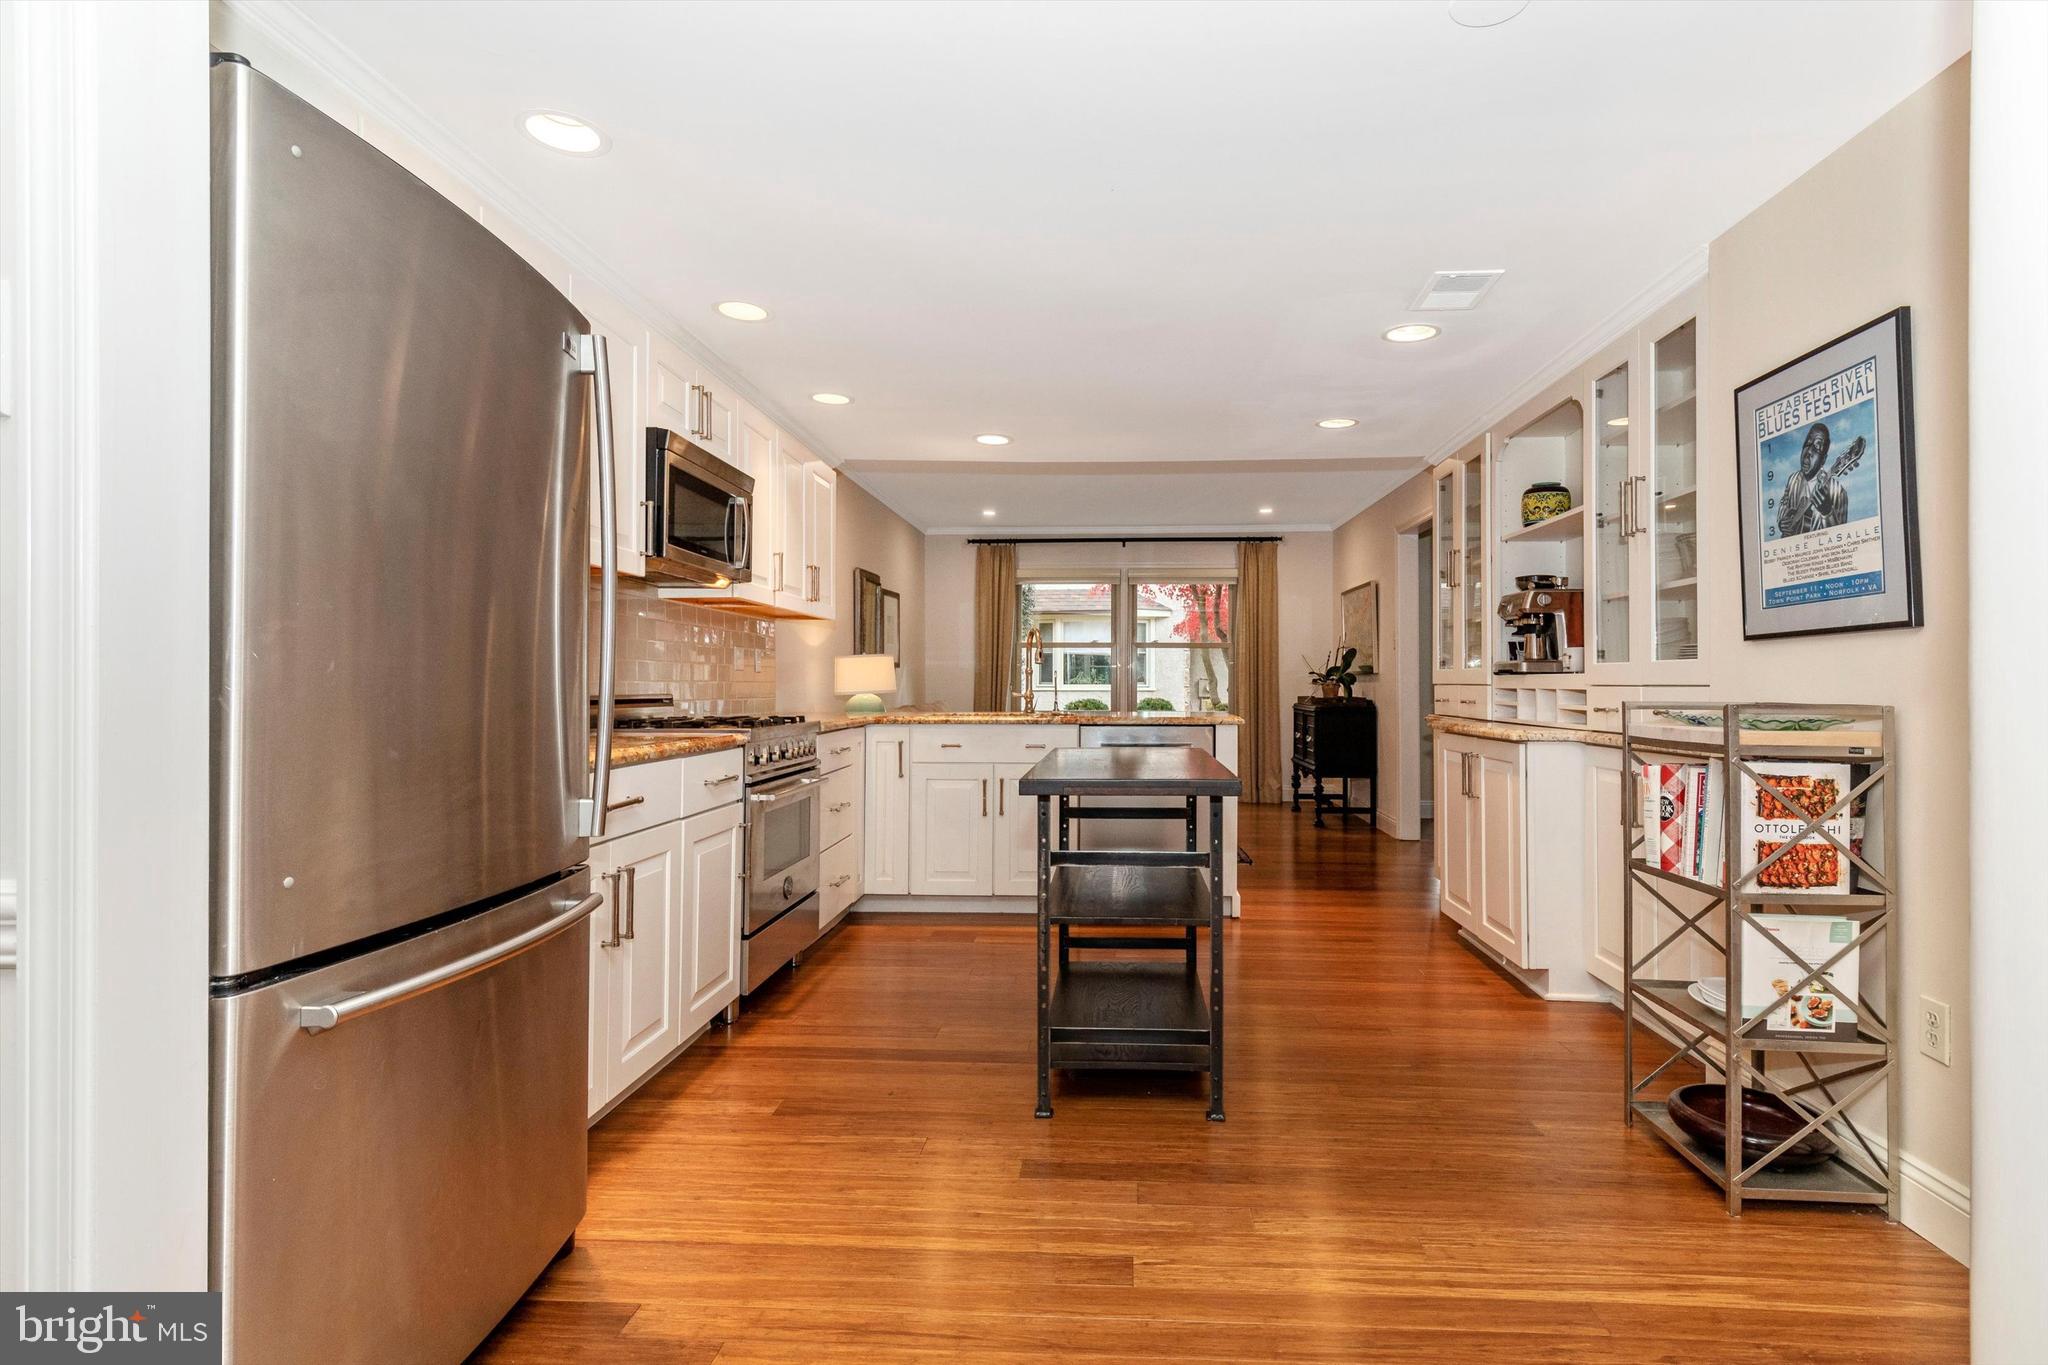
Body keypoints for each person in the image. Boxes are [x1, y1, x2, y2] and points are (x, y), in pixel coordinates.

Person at [1775, 421, 1861, 537]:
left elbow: (1840, 537)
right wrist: (1782, 521)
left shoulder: (1838, 492)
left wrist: (1827, 512)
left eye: (1816, 447)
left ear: (1823, 460)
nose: (1808, 452)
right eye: (1807, 444)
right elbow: (1784, 503)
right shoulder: (1793, 479)